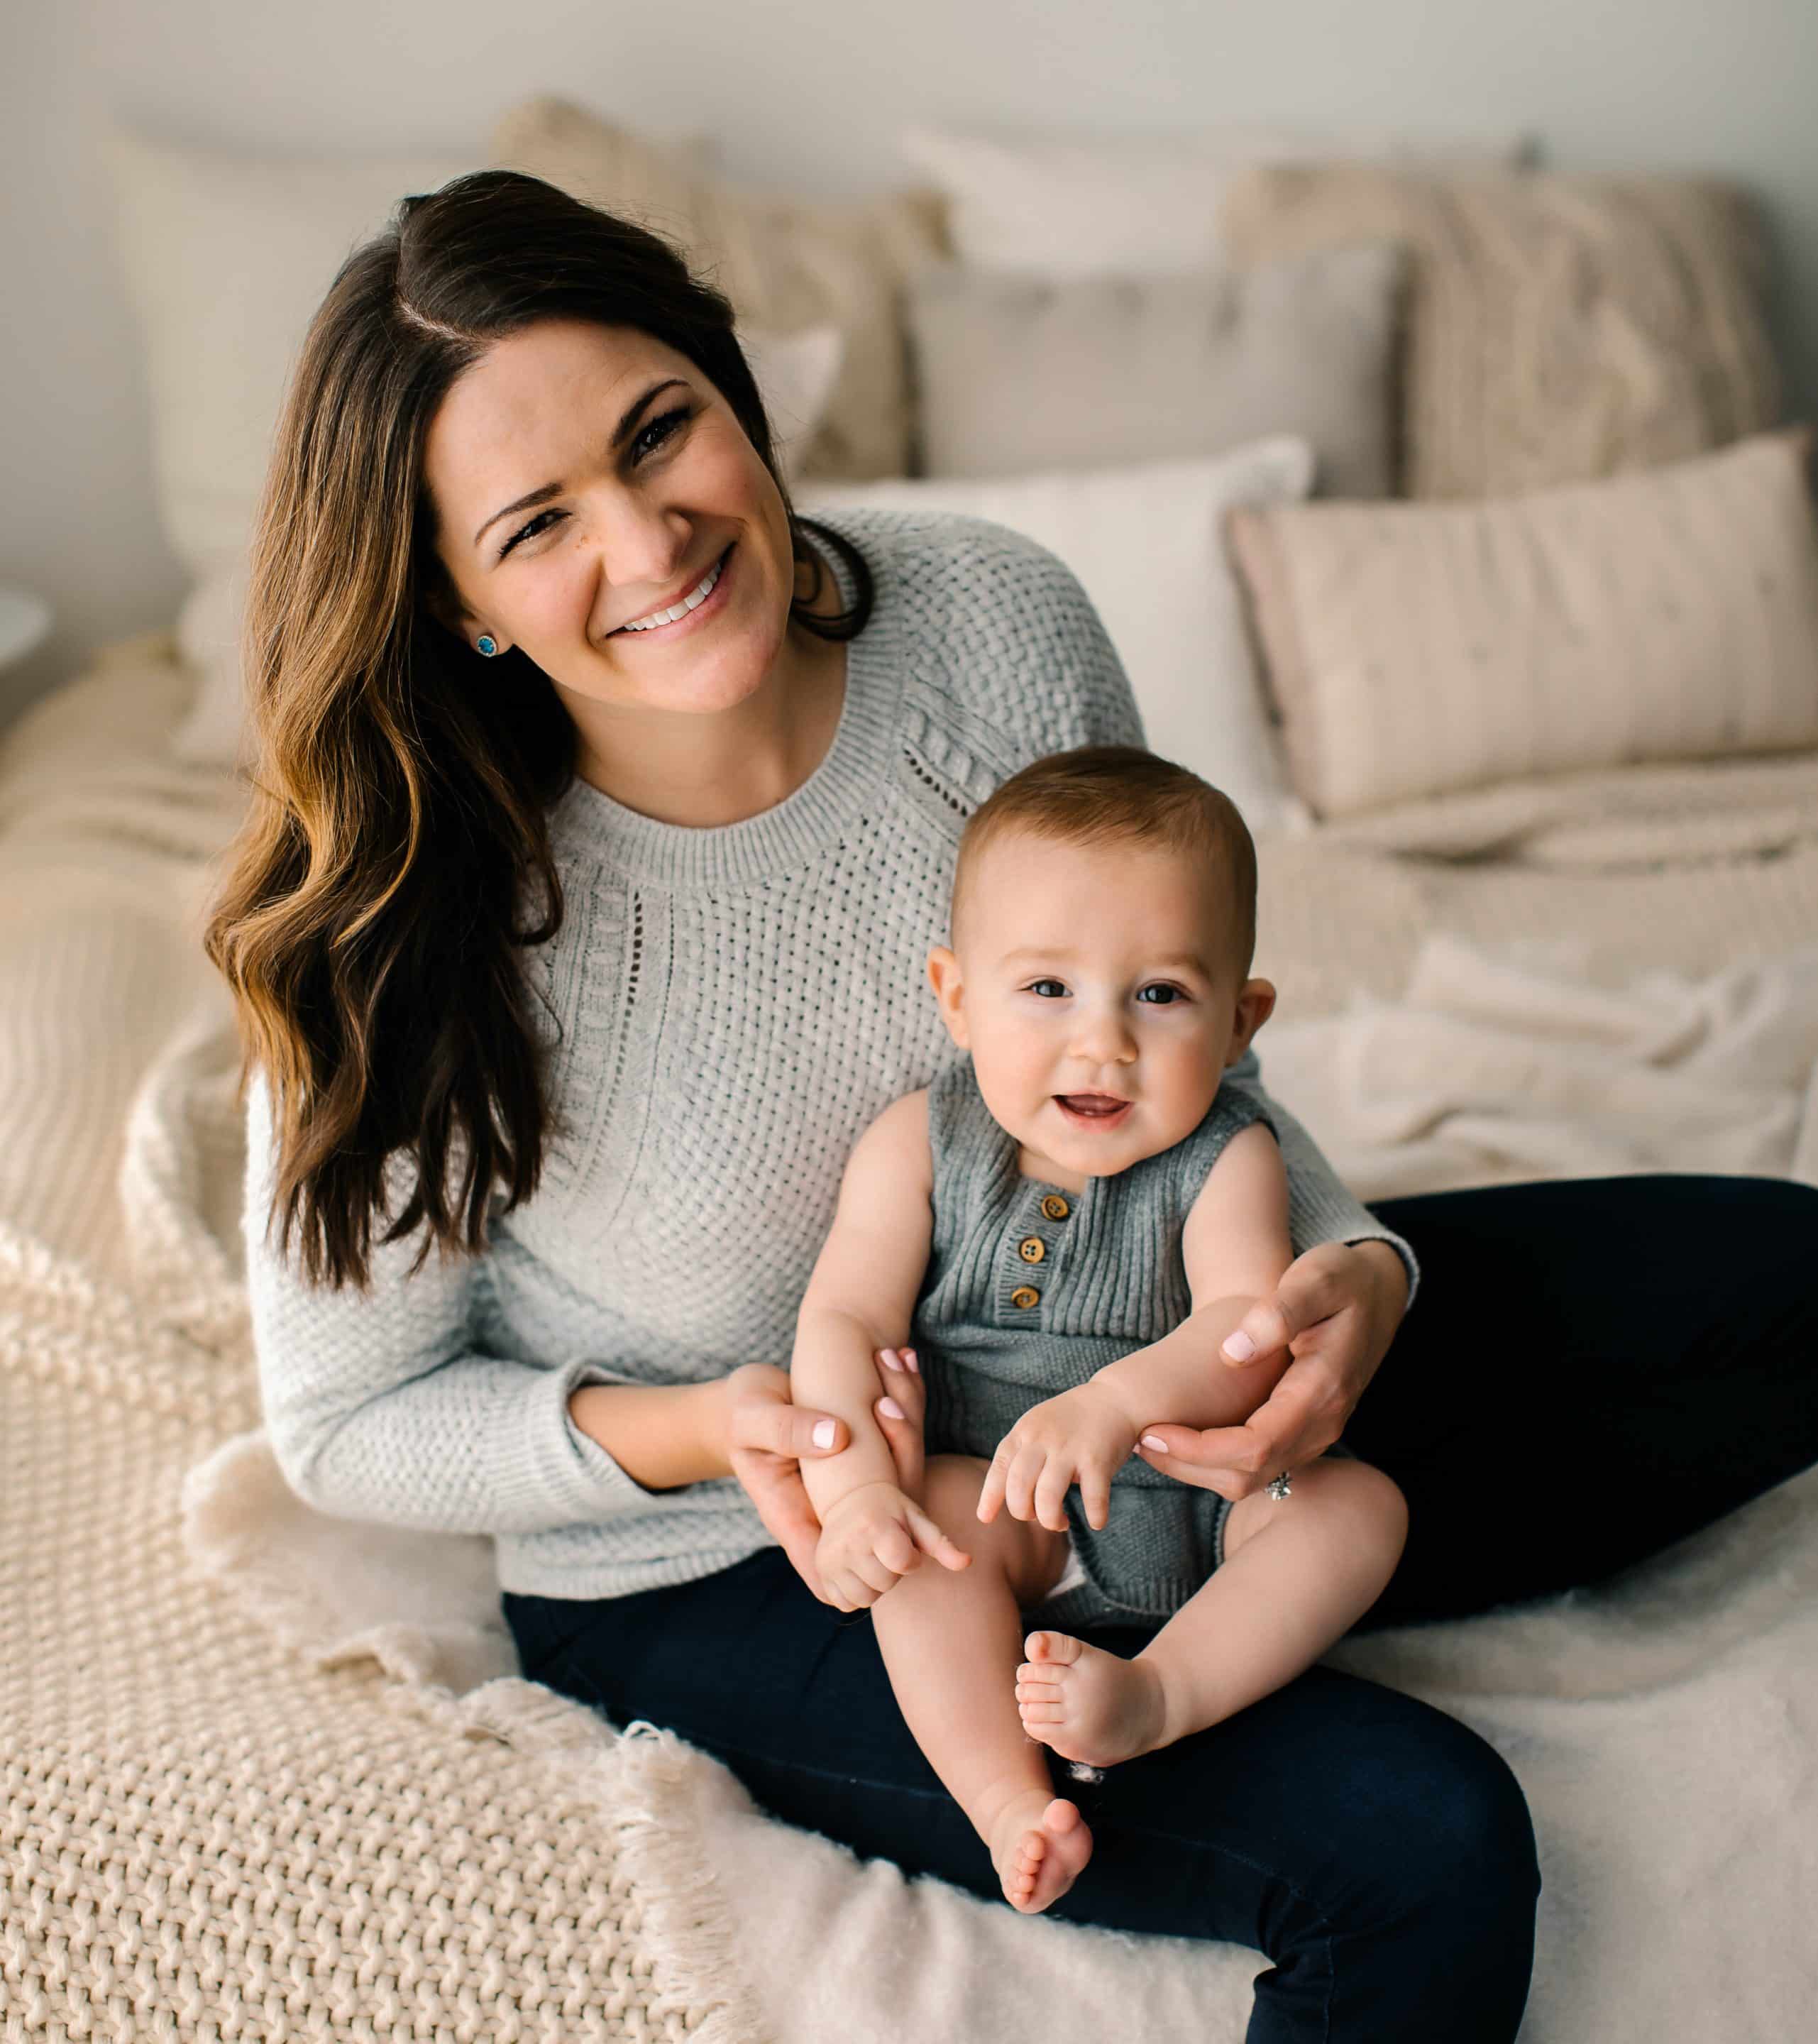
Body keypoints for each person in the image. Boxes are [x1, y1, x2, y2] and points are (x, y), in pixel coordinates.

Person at [202, 166, 1818, 2042]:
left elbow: (1185, 1041)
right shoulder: (398, 929)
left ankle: (1241, 1591)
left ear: (736, 394)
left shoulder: (983, 621)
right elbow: (346, 1424)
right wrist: (718, 1431)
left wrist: (1351, 1272)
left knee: (1781, 1280)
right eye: (539, 521)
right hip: (764, 1556)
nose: (649, 543)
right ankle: (1156, 1660)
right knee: (1422, 1845)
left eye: (665, 434)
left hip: (1144, 1372)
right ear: (461, 601)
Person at [791, 745, 1409, 1912]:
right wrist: (855, 1497)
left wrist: (1117, 1403)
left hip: (1196, 1501)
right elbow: (842, 1321)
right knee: (920, 1547)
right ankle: (1006, 1799)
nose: (1103, 1042)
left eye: (1160, 995)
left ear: (1240, 1022)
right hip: (999, 1510)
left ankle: (1158, 1694)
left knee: (1354, 1510)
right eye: (1045, 990)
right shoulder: (919, 1142)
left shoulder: (1228, 1153)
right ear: (957, 998)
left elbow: (1243, 1323)